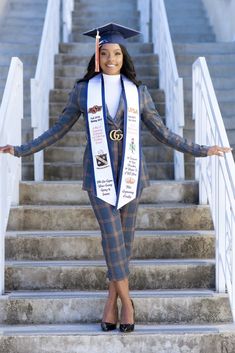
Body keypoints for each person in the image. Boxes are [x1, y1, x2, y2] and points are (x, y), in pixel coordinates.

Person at [0, 23, 231, 333]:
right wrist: (21, 149)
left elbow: (163, 133)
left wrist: (203, 150)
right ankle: (129, 303)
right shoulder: (84, 91)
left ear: (124, 57)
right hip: (98, 176)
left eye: (117, 53)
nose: (111, 58)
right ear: (98, 55)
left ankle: (111, 304)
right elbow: (57, 130)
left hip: (133, 175)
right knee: (112, 240)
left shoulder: (139, 92)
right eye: (105, 53)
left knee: (123, 245)